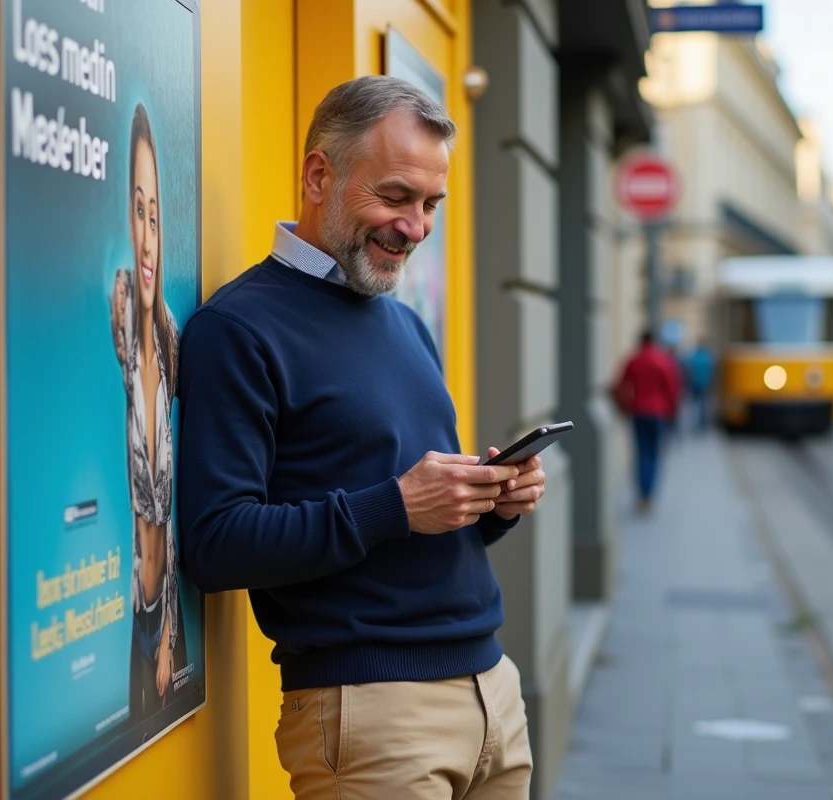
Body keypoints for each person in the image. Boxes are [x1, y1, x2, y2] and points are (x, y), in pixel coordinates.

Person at [177, 77, 546, 798]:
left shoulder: (405, 322)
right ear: (320, 175)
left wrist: (489, 504)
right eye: (396, 197)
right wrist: (400, 505)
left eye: (431, 204)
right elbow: (216, 543)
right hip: (372, 713)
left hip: (493, 691)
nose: (415, 226)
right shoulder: (238, 329)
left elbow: (408, 517)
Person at [109, 104, 186, 724]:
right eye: (138, 212)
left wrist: (167, 644)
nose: (148, 234)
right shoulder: (125, 328)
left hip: (165, 622)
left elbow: (179, 510)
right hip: (133, 606)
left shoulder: (172, 341)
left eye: (155, 215)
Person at [613, 331, 682, 512]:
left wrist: (624, 407)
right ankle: (649, 494)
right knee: (654, 453)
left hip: (638, 411)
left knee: (641, 452)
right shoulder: (663, 360)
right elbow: (672, 388)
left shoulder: (634, 360)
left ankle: (642, 494)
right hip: (659, 413)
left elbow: (620, 386)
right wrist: (673, 412)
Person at [684, 339, 716, 431]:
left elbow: (688, 372)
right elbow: (712, 372)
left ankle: (694, 423)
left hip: (694, 384)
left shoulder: (693, 357)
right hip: (705, 384)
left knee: (694, 404)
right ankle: (703, 424)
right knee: (704, 405)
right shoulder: (707, 358)